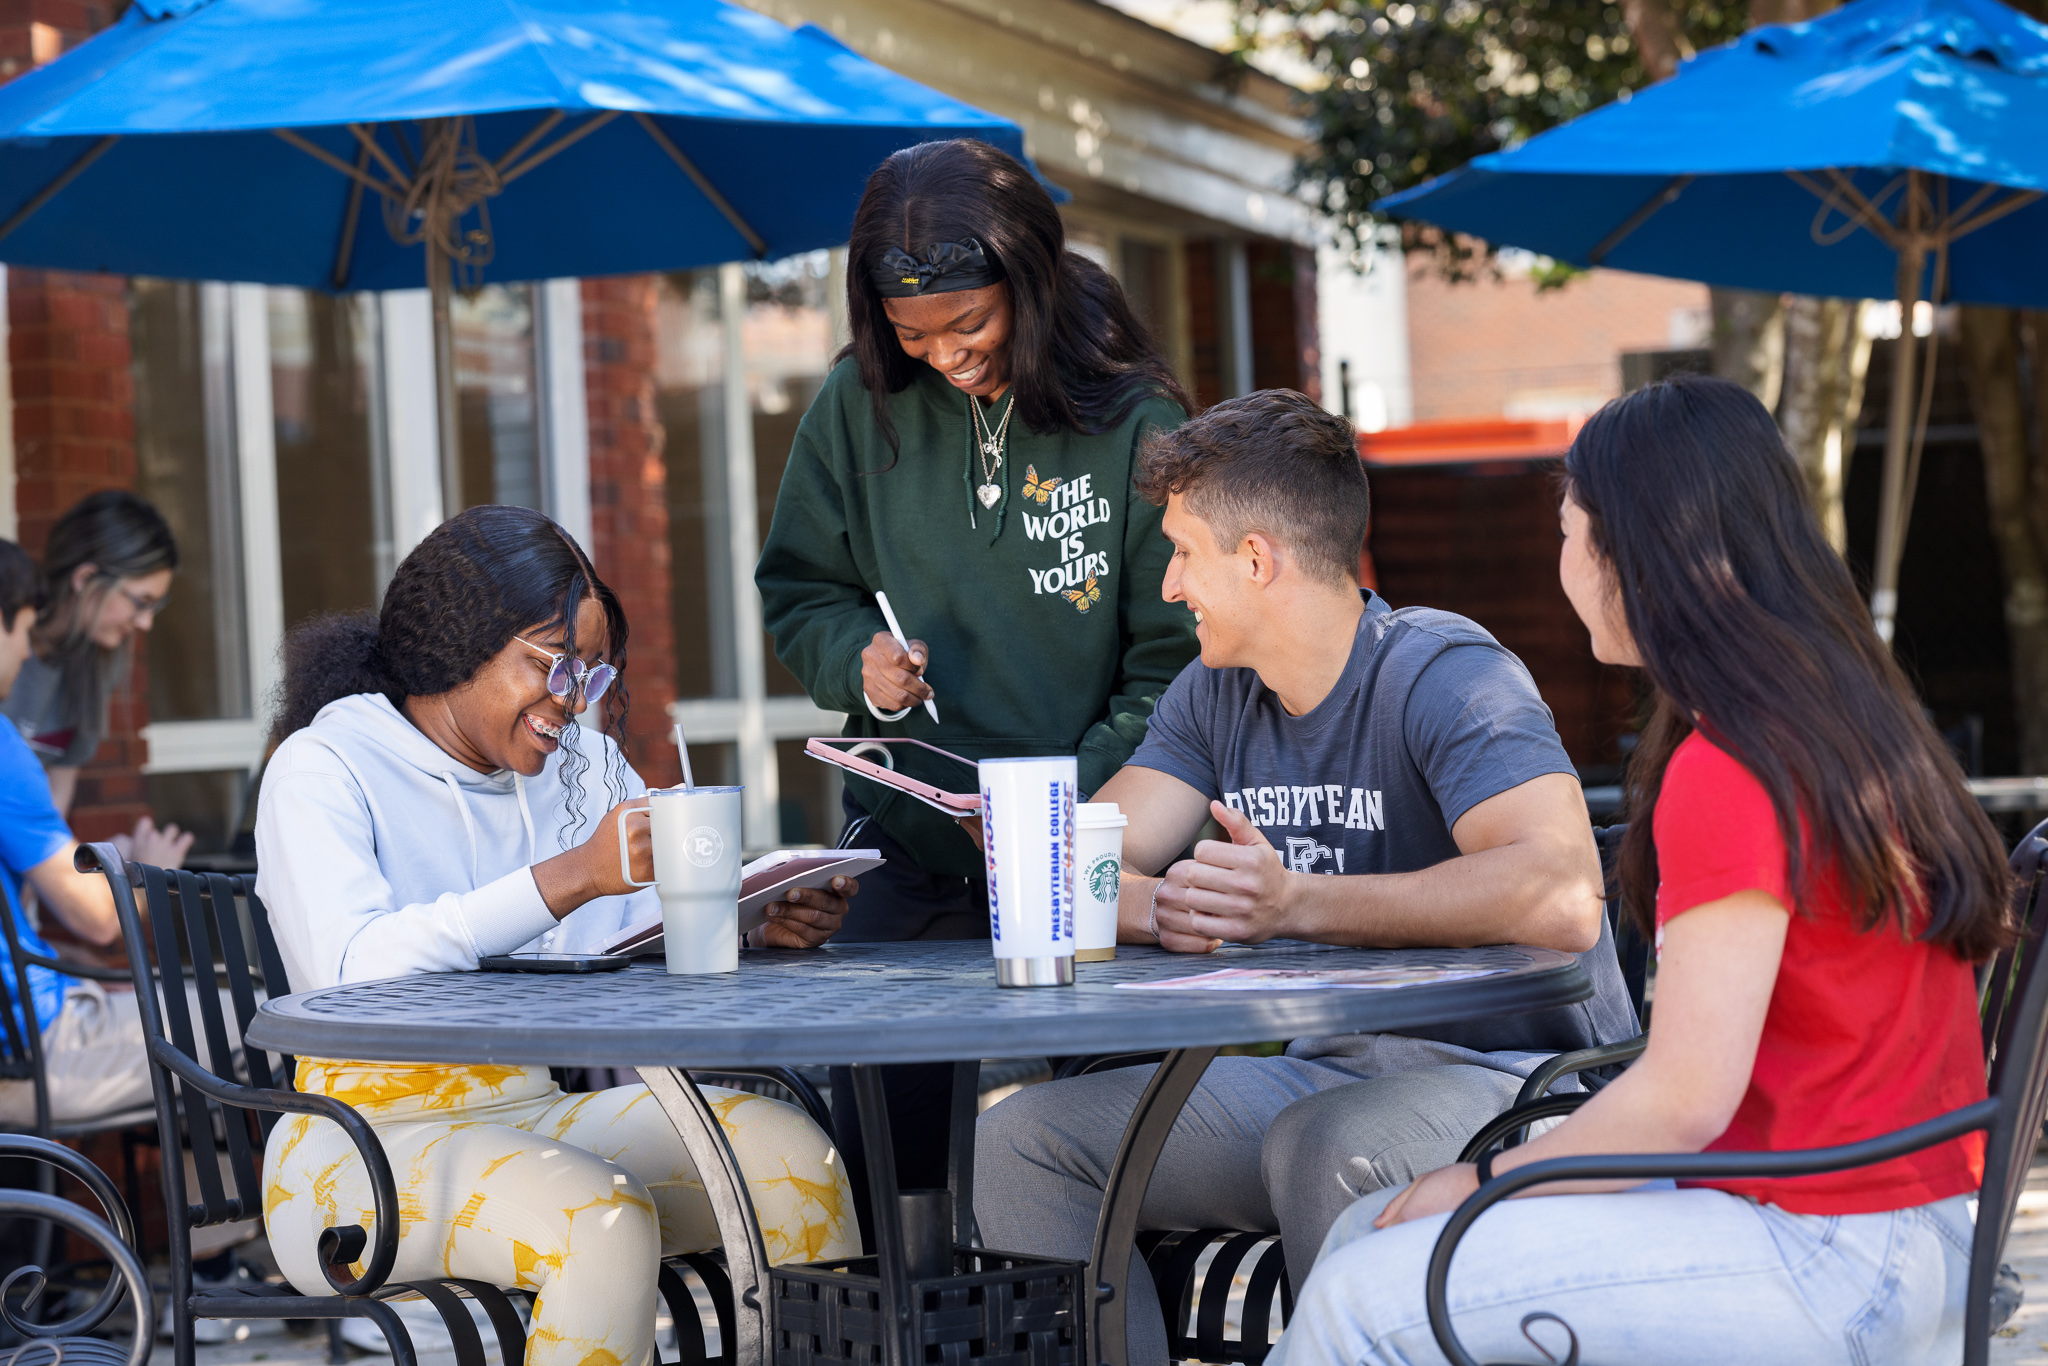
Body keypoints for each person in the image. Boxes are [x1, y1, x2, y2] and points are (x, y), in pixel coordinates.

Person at [1267, 373, 2008, 1366]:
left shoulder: (1733, 764)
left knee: (1359, 1296)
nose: (1559, 562)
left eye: (1569, 533)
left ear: (1637, 554)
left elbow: (1682, 1096)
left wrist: (1489, 1183)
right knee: (1366, 1237)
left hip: (1834, 1251)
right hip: (1898, 1223)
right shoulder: (1836, 719)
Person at [973, 389, 1637, 1365]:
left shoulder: (1442, 670)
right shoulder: (1214, 694)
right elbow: (1069, 871)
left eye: (1181, 551)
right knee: (1024, 1141)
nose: (1166, 586)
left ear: (1254, 559)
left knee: (1324, 1140)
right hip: (1328, 1075)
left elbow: (1558, 894)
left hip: (1520, 1083)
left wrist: (1293, 903)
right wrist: (1180, 904)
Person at [257, 506, 860, 1365]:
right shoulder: (324, 767)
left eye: (590, 675)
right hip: (354, 1149)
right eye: (553, 665)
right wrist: (569, 875)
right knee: (601, 1216)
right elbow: (347, 972)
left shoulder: (579, 766)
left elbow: (626, 940)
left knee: (790, 1156)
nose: (572, 701)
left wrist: (757, 923)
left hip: (533, 1113)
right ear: (458, 640)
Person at [755, 137, 1199, 1204]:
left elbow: (1174, 669)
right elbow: (799, 587)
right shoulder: (853, 405)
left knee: (1107, 1170)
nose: (945, 355)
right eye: (912, 335)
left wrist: (1047, 811)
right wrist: (857, 662)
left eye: (970, 323)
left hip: (1097, 857)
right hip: (909, 853)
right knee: (877, 1177)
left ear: (1031, 285)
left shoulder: (1135, 422)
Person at [0, 538, 201, 1127]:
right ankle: (261, 1220)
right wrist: (149, 873)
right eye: (22, 634)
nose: (23, 658)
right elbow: (98, 917)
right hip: (34, 1058)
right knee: (258, 1018)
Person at [4, 493, 185, 847]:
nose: (146, 622)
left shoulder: (96, 665)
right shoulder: (6, 656)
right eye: (140, 602)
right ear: (85, 578)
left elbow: (51, 810)